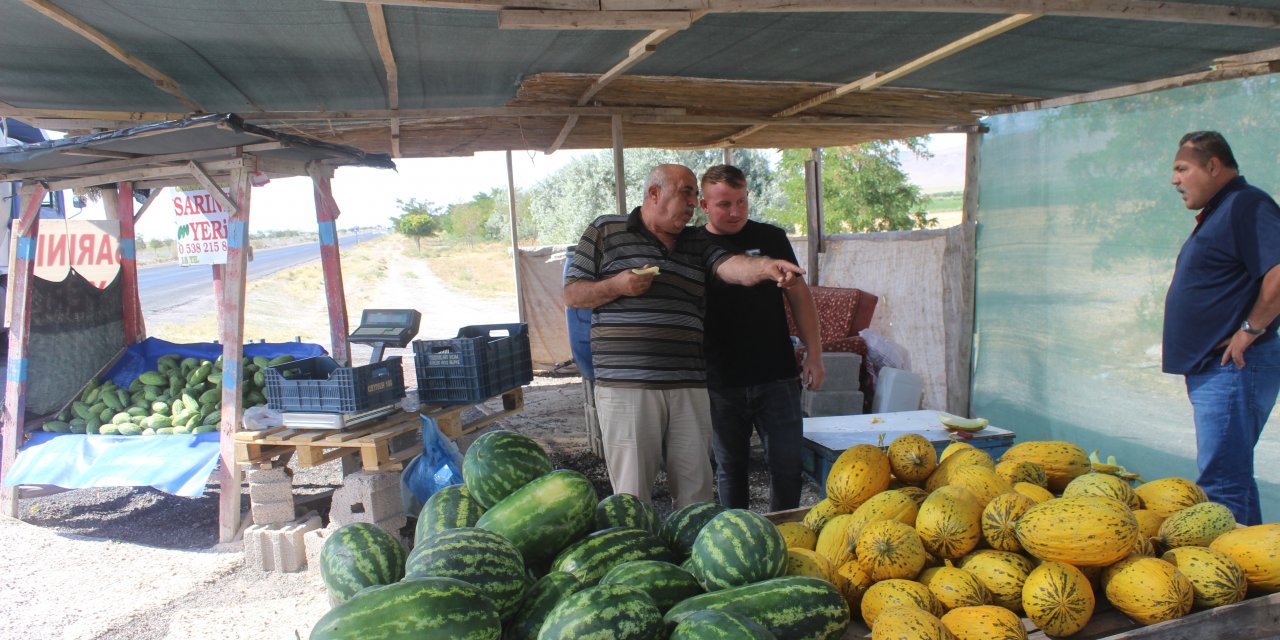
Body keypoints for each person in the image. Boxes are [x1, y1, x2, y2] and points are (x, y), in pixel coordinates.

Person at [563, 164, 805, 509]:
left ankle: (691, 561)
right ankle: (639, 559)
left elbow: (731, 267)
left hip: (689, 386)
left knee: (697, 497)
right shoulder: (606, 230)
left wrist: (765, 268)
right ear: (653, 193)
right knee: (633, 498)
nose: (693, 202)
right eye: (686, 192)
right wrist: (618, 285)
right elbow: (573, 295)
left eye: (695, 194)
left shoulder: (696, 242)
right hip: (628, 387)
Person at [1163, 131, 1280, 526]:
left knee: (1222, 486)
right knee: (1233, 481)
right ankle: (1262, 574)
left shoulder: (1247, 205)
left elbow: (1278, 272)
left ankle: (1230, 585)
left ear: (1212, 165)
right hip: (1218, 369)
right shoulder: (1223, 210)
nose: (1174, 179)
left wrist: (1251, 328)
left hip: (1234, 366)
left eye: (1182, 168)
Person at [698, 164, 825, 512]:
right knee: (730, 469)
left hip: (777, 375)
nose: (736, 211)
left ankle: (785, 535)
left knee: (787, 467)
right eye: (724, 204)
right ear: (703, 204)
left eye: (741, 201)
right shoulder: (693, 244)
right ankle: (736, 538)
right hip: (721, 380)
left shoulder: (771, 237)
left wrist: (815, 354)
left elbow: (800, 297)